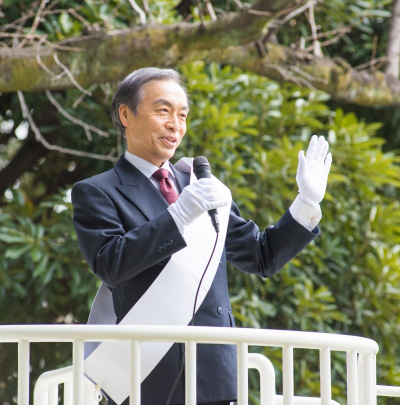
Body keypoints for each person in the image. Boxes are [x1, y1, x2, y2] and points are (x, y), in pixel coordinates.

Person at [71, 67, 332, 405]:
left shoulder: (200, 185)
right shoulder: (97, 191)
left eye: (182, 115)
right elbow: (110, 264)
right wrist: (177, 216)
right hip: (148, 372)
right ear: (125, 115)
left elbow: (261, 256)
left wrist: (306, 203)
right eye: (163, 110)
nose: (174, 124)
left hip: (215, 371)